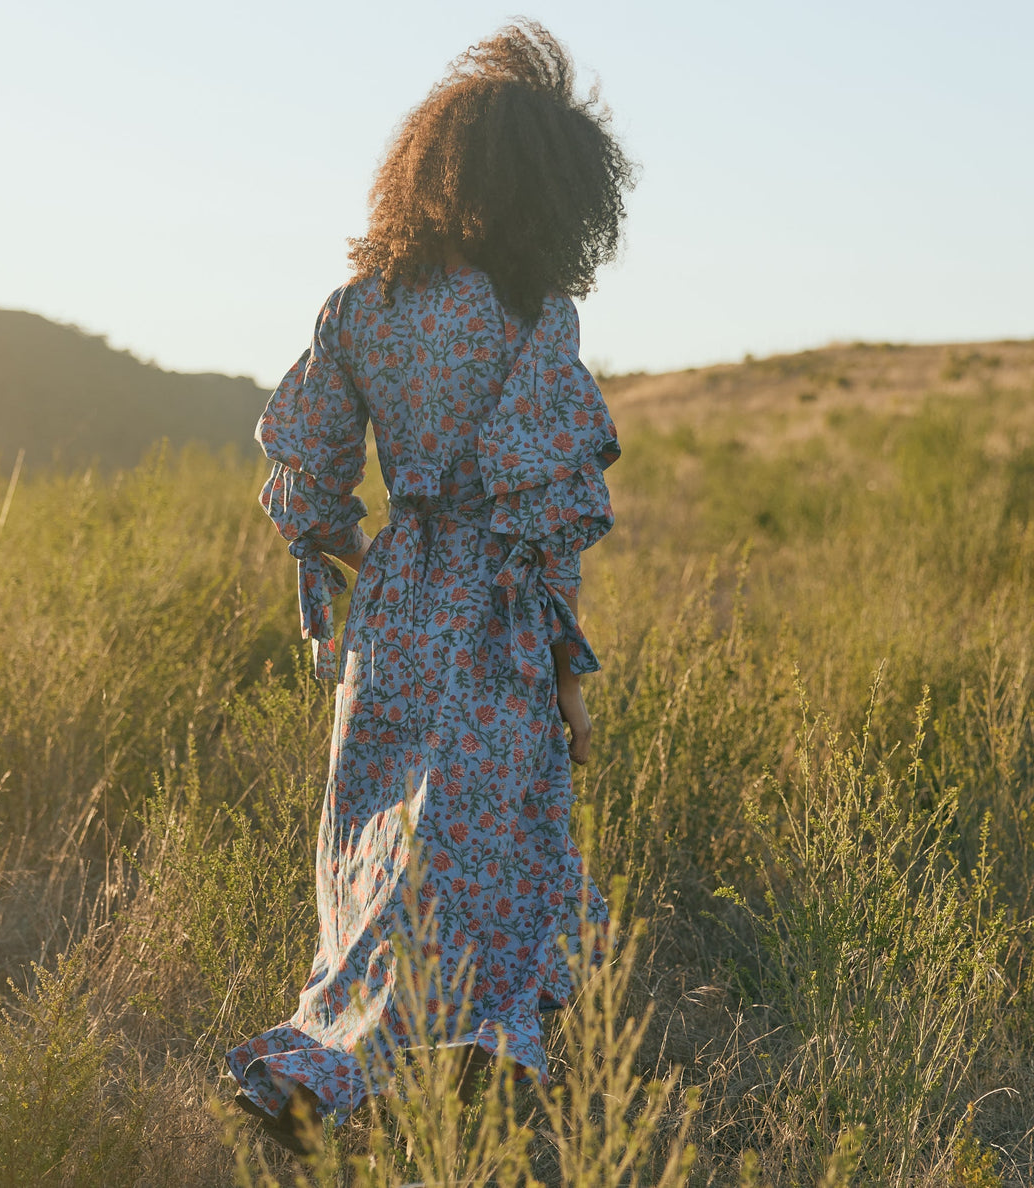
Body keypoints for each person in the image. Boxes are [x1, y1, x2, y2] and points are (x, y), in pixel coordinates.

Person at [226, 20, 634, 1156]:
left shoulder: (358, 309)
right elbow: (549, 529)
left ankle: (325, 1069)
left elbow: (304, 479)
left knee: (377, 859)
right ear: (550, 192)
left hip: (397, 614)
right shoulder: (536, 318)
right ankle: (426, 1086)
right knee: (490, 855)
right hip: (497, 622)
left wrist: (379, 558)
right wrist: (572, 687)